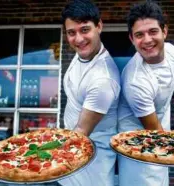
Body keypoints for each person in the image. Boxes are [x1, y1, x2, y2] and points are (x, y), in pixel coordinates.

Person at [117, 1, 174, 186]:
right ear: (131, 39)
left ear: (164, 32)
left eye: (153, 31)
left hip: (161, 129)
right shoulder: (135, 81)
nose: (147, 40)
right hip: (137, 144)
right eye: (139, 35)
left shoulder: (173, 53)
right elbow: (155, 133)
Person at [59, 0, 120, 185]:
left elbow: (80, 134)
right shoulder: (83, 54)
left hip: (90, 170)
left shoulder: (103, 79)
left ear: (99, 26)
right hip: (70, 162)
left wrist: (42, 153)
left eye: (85, 30)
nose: (78, 39)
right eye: (71, 32)